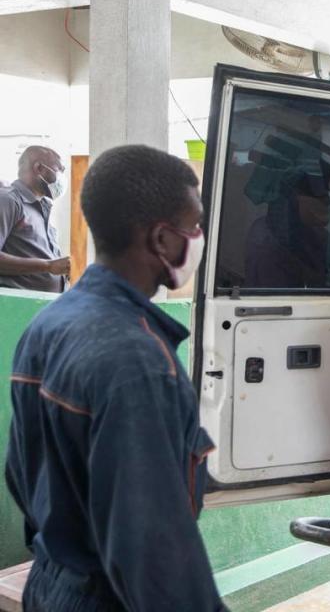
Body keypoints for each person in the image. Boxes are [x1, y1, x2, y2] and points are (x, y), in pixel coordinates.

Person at [5, 145, 226, 611]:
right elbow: (156, 555)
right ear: (161, 239)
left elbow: (20, 474)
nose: (199, 236)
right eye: (194, 224)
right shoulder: (140, 362)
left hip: (50, 584)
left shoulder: (48, 325)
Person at [0, 146, 70, 291]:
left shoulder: (42, 206)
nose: (63, 177)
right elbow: (49, 265)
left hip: (41, 307)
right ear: (39, 168)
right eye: (60, 170)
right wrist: (48, 266)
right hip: (16, 308)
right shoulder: (9, 200)